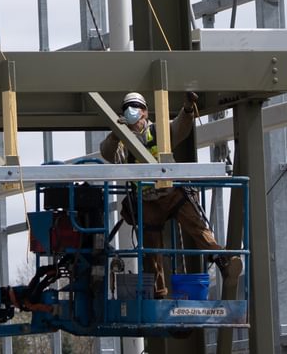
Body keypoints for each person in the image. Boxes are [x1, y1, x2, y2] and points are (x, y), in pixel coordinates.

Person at [100, 90, 243, 299]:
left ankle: (223, 261)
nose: (132, 112)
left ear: (145, 112)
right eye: (127, 108)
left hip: (170, 193)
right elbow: (107, 152)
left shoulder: (159, 132)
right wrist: (116, 132)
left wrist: (187, 109)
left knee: (196, 224)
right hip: (146, 202)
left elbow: (179, 128)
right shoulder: (122, 143)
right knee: (151, 248)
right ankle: (158, 292)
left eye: (136, 107)